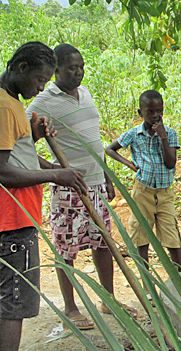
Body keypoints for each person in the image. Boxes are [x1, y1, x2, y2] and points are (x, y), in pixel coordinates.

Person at [26, 44, 136, 331]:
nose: (79, 73)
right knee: (66, 249)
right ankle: (71, 307)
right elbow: (21, 142)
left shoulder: (85, 93)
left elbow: (94, 139)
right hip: (68, 188)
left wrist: (106, 175)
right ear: (56, 71)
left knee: (104, 243)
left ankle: (109, 299)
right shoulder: (43, 102)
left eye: (82, 67)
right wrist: (52, 170)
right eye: (72, 68)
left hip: (96, 184)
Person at [0, 42, 87, 351]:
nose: (40, 88)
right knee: (14, 305)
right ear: (21, 68)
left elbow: (18, 154)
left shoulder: (10, 101)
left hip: (17, 218)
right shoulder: (4, 105)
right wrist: (55, 174)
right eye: (39, 80)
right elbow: (4, 172)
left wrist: (32, 135)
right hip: (10, 221)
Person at [105, 90, 181, 281]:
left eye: (159, 111)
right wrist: (128, 163)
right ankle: (148, 283)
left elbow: (170, 163)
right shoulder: (134, 134)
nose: (155, 115)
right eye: (150, 111)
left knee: (172, 238)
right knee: (141, 237)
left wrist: (163, 137)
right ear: (140, 113)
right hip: (143, 192)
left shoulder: (170, 134)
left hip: (165, 193)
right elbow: (109, 149)